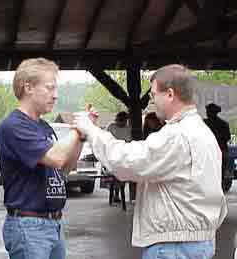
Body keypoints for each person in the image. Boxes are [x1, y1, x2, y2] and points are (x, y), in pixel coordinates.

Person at [74, 64, 227, 259]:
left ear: (170, 94)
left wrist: (91, 131)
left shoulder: (177, 135)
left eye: (154, 95)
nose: (152, 102)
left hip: (175, 246)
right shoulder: (201, 131)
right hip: (196, 241)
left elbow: (127, 161)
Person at [0, 58, 95, 259]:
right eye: (50, 88)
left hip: (53, 224)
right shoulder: (14, 125)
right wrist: (78, 129)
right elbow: (56, 158)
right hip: (29, 226)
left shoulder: (44, 126)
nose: (56, 95)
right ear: (28, 88)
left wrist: (81, 137)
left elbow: (65, 168)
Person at [106, 111, 131, 206]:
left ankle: (118, 193)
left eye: (124, 121)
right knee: (114, 176)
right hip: (112, 155)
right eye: (122, 121)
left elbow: (129, 141)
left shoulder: (128, 128)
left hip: (123, 155)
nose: (123, 123)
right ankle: (115, 193)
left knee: (122, 176)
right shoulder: (111, 127)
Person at [204, 103, 231, 181]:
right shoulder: (224, 124)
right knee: (222, 170)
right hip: (221, 150)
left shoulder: (204, 123)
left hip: (209, 151)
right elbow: (227, 137)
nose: (207, 113)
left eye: (208, 111)